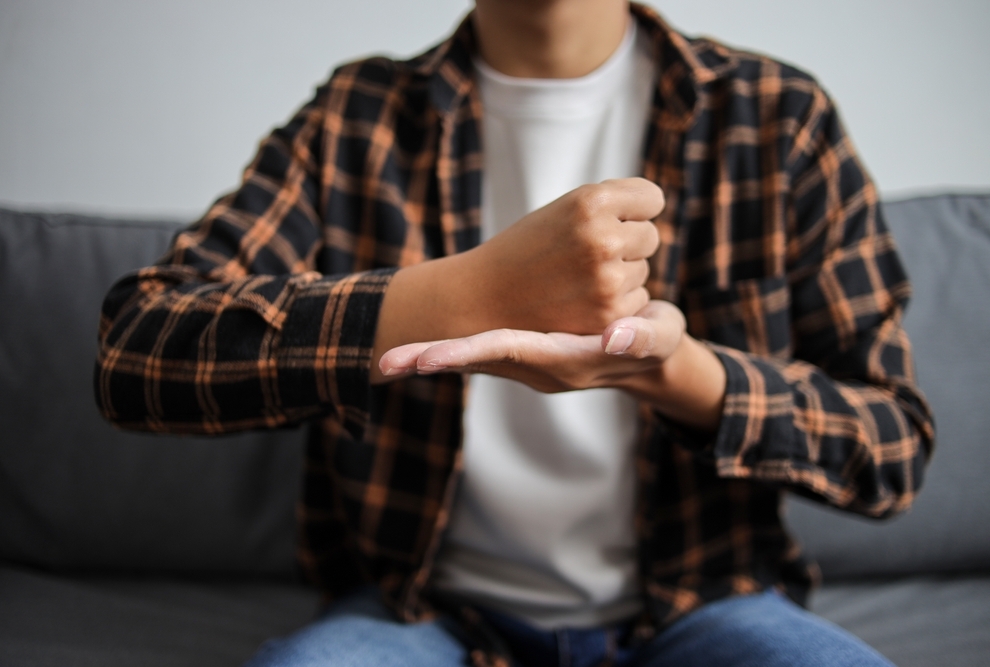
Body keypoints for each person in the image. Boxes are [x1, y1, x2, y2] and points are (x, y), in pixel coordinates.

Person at [94, 1, 934, 665]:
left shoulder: (777, 116)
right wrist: (473, 290)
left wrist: (673, 371)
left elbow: (894, 445)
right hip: (419, 611)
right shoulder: (357, 116)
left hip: (704, 602)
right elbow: (135, 352)